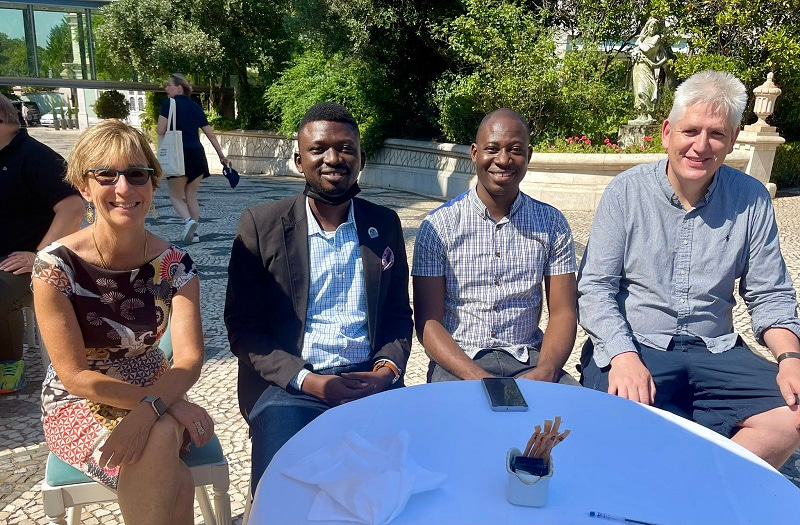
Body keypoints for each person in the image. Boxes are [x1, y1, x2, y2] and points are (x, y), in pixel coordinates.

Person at [578, 70, 800, 468]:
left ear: (732, 141)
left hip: (715, 347)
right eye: (690, 131)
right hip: (639, 342)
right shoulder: (626, 192)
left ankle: (705, 491)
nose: (701, 145)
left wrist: (790, 359)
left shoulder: (750, 199)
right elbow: (595, 288)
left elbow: (769, 293)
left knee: (793, 415)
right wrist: (623, 356)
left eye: (716, 134)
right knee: (610, 425)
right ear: (667, 133)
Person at [32, 120, 215, 523]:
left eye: (137, 174)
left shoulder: (175, 264)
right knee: (175, 472)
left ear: (152, 184)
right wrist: (164, 407)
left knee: (164, 439)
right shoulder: (56, 266)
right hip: (79, 400)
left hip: (158, 388)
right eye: (106, 175)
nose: (124, 188)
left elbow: (189, 359)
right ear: (84, 186)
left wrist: (152, 407)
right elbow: (75, 375)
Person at [225, 102, 412, 492]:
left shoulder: (384, 223)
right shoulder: (261, 225)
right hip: (290, 388)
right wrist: (310, 381)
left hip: (369, 381)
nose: (333, 158)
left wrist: (385, 373)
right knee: (281, 499)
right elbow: (243, 330)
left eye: (346, 148)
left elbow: (397, 315)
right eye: (319, 148)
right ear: (298, 158)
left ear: (360, 158)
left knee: (399, 492)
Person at [413, 108, 579, 384]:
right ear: (475, 153)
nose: (503, 160)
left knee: (574, 420)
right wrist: (480, 378)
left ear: (529, 154)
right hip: (459, 364)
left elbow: (563, 311)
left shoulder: (551, 223)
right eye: (492, 149)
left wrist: (547, 371)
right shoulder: (439, 226)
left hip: (529, 359)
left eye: (515, 149)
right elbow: (429, 323)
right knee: (454, 425)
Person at [0, 94, 83, 394]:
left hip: (30, 266)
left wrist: (39, 255)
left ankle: (8, 365)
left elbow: (74, 207)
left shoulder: (35, 156)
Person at [157, 73, 228, 243]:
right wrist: (222, 157)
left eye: (169, 85)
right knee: (192, 195)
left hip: (178, 155)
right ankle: (194, 234)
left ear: (179, 87)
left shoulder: (169, 104)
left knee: (174, 195)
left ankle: (188, 222)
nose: (166, 89)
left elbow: (160, 130)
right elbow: (210, 134)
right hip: (197, 154)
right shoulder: (196, 107)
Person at [631, 18, 669, 123]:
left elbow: (647, 49)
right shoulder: (645, 37)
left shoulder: (656, 38)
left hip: (646, 67)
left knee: (645, 89)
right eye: (651, 26)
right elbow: (641, 38)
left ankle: (649, 114)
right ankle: (641, 115)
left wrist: (657, 64)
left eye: (655, 27)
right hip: (639, 66)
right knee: (638, 91)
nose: (652, 29)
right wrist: (645, 27)